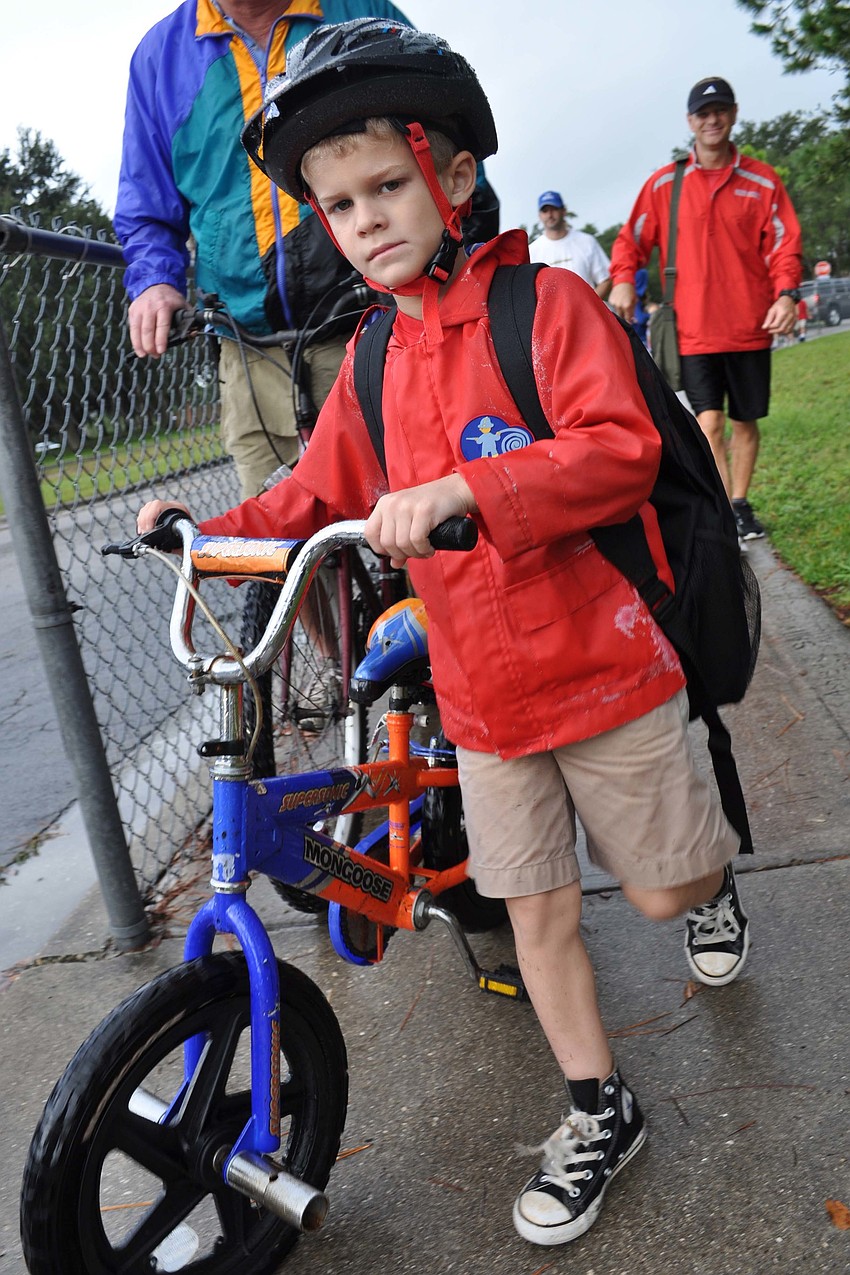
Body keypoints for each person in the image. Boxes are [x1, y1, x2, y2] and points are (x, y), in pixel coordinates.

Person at [138, 21, 750, 1248]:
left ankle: (714, 881)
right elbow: (309, 495)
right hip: (485, 702)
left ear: (453, 178)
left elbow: (620, 451)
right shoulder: (367, 359)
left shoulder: (546, 305)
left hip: (605, 672)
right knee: (535, 916)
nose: (362, 220)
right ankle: (597, 1105)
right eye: (336, 205)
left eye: (384, 187)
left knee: (663, 884)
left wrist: (476, 489)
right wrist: (203, 532)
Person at [114, 0, 499, 501]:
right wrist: (153, 279)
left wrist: (468, 261)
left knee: (428, 504)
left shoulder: (359, 8)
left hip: (377, 315)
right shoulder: (158, 58)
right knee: (273, 540)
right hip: (248, 337)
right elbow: (144, 194)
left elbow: (442, 134)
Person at [609, 77, 803, 543]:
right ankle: (721, 506)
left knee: (744, 422)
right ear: (690, 121)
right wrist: (621, 281)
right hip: (692, 331)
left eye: (720, 111)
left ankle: (740, 502)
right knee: (709, 422)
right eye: (702, 112)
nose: (711, 120)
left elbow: (785, 245)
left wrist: (786, 294)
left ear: (733, 114)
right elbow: (630, 240)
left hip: (751, 326)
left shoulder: (762, 180)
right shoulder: (664, 184)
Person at [529, 191, 611, 298]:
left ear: (563, 211)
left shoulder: (587, 241)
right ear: (539, 216)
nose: (550, 214)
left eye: (554, 209)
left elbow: (605, 279)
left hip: (587, 312)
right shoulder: (532, 251)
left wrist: (587, 307)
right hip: (551, 315)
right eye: (545, 211)